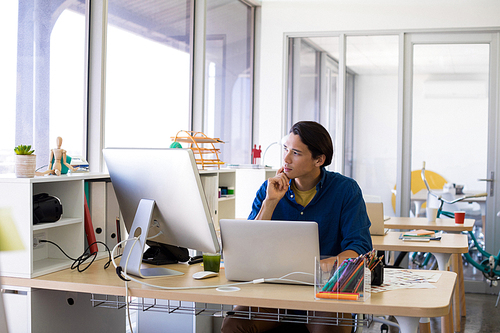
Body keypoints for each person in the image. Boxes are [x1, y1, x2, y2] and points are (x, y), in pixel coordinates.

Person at [221, 121, 373, 333]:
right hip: (275, 292)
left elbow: (359, 246)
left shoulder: (346, 190)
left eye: (296, 153)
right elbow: (250, 244)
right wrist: (271, 202)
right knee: (233, 324)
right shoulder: (269, 189)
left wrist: (326, 264)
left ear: (319, 160)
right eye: (285, 149)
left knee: (327, 328)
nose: (286, 159)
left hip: (324, 292)